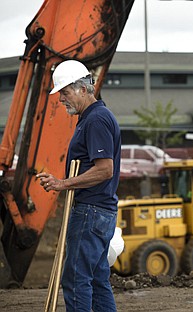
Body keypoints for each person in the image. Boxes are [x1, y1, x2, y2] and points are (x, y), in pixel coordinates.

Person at [36, 59, 121, 312]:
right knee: (96, 279)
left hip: (91, 212)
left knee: (76, 279)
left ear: (83, 89)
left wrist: (62, 184)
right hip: (100, 211)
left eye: (65, 92)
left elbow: (105, 170)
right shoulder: (92, 118)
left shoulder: (96, 120)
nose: (61, 99)